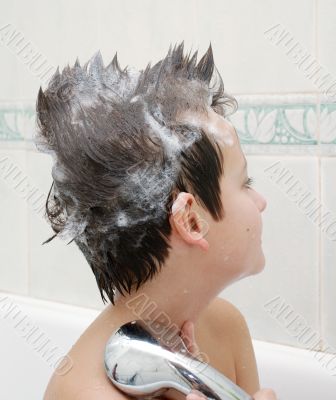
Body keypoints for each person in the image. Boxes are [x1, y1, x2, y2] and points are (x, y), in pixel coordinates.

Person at [35, 40, 277, 399]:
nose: (261, 202)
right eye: (245, 183)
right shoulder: (85, 391)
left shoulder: (227, 327)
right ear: (192, 222)